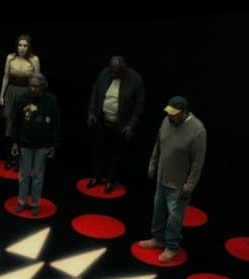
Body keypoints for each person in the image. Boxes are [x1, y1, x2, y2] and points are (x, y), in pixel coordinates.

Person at [141, 96, 207, 262]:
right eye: (169, 113)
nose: (170, 117)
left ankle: (171, 246)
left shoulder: (198, 130)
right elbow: (158, 144)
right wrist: (152, 165)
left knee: (175, 217)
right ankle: (157, 238)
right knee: (158, 210)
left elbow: (198, 162)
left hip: (179, 184)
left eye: (174, 114)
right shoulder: (166, 121)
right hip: (162, 177)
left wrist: (190, 185)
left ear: (184, 112)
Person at [86, 56, 145, 192]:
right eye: (111, 71)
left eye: (116, 72)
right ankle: (97, 176)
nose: (112, 74)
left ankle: (110, 180)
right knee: (100, 150)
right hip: (103, 120)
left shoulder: (135, 79)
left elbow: (139, 104)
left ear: (123, 69)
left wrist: (131, 125)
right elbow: (95, 91)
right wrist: (91, 112)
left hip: (121, 124)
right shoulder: (104, 73)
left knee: (116, 154)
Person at [11, 72, 60, 217]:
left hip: (43, 144)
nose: (33, 89)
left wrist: (54, 145)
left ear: (43, 86)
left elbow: (56, 124)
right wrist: (15, 142)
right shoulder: (23, 98)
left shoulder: (51, 100)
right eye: (31, 86)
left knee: (38, 176)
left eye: (37, 86)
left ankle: (34, 204)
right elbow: (16, 121)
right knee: (24, 174)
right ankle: (21, 201)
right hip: (25, 143)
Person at [0, 35, 40, 170]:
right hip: (11, 92)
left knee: (23, 123)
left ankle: (19, 159)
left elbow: (37, 81)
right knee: (9, 122)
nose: (22, 48)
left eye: (25, 46)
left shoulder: (34, 59)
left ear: (29, 47)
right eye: (20, 45)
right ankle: (9, 157)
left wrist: (36, 99)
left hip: (27, 93)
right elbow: (5, 77)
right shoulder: (10, 58)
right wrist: (1, 96)